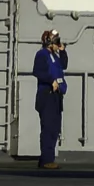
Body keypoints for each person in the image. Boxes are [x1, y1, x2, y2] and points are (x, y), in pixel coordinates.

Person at [32, 30, 68, 169]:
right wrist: (50, 80)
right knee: (48, 128)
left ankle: (47, 158)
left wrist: (63, 51)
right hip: (46, 94)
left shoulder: (55, 56)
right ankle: (47, 159)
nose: (57, 43)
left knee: (54, 128)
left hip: (56, 96)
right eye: (55, 41)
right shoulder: (42, 55)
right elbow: (37, 71)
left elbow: (63, 65)